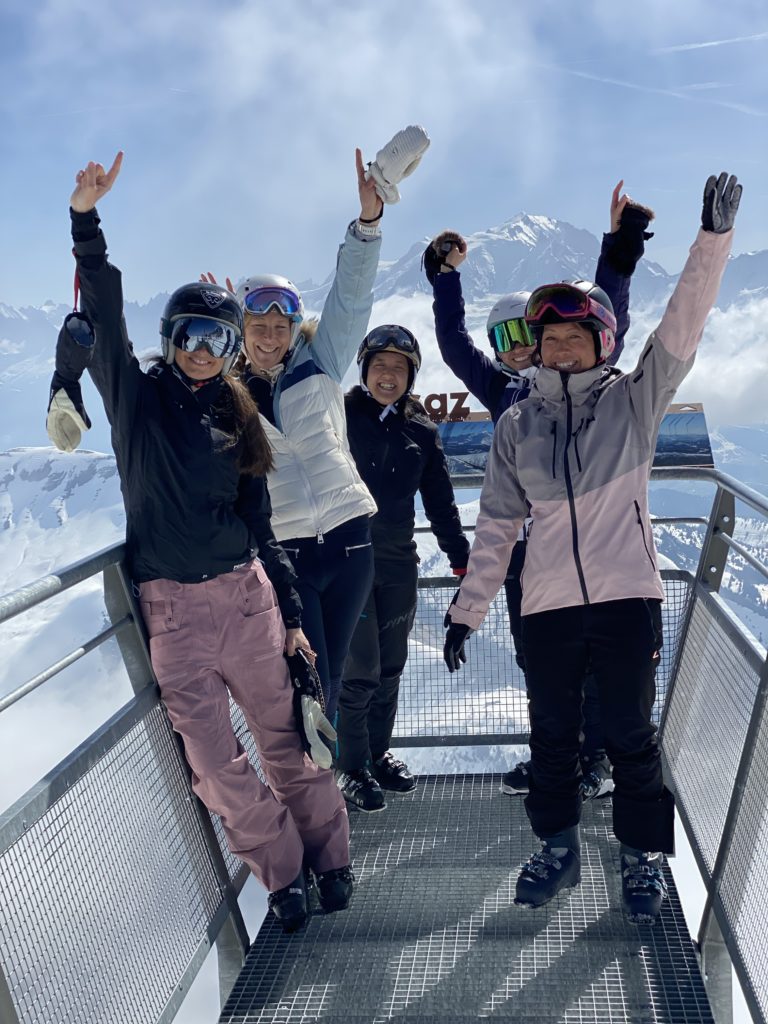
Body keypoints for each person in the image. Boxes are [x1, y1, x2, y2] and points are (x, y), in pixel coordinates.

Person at [64, 153, 354, 935]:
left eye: (216, 339)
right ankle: (282, 870)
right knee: (219, 771)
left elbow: (264, 532)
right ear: (170, 339)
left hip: (246, 598)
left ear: (230, 352)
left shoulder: (237, 418)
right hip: (173, 615)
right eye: (190, 334)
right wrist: (86, 225)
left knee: (287, 740)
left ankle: (331, 859)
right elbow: (107, 328)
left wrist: (291, 614)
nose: (201, 349)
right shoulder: (138, 401)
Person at [443, 172, 741, 923]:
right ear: (536, 349)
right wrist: (468, 609)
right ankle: (557, 848)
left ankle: (642, 859)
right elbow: (497, 526)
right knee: (551, 740)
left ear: (602, 341)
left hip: (625, 600)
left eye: (578, 337)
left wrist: (711, 241)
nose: (564, 348)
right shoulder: (518, 425)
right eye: (552, 339)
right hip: (546, 609)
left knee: (632, 735)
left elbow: (681, 327)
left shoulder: (634, 403)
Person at [425, 183, 655, 800]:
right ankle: (556, 760)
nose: (525, 351)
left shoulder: (587, 380)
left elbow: (611, 312)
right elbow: (453, 346)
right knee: (542, 667)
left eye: (529, 336)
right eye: (511, 342)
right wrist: (444, 280)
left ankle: (597, 761)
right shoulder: (507, 398)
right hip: (525, 558)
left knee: (596, 669)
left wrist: (620, 247)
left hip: (590, 547)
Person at [218, 135, 429, 727]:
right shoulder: (226, 395)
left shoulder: (323, 359)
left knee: (332, 672)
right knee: (308, 675)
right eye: (255, 324)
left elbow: (353, 294)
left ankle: (323, 791)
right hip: (285, 550)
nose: (269, 336)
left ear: (292, 325)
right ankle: (311, 789)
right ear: (239, 330)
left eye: (279, 323)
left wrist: (368, 219)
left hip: (348, 534)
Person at [336, 326, 471, 811]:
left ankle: (375, 754)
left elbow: (441, 503)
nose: (387, 375)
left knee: (390, 666)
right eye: (379, 366)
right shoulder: (340, 414)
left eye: (398, 367)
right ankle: (349, 768)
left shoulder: (421, 432)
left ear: (411, 375)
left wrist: (462, 562)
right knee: (360, 670)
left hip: (397, 563)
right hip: (345, 563)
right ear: (364, 370)